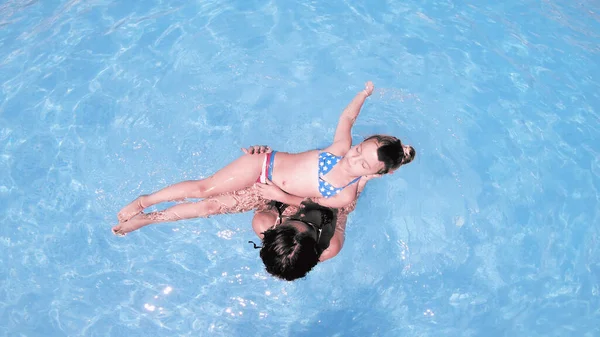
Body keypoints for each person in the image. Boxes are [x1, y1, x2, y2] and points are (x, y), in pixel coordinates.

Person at [113, 81, 416, 235]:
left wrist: (278, 194)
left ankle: (148, 221)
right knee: (202, 189)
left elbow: (308, 204)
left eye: (362, 164)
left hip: (268, 192)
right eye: (358, 151)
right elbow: (347, 118)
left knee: (208, 207)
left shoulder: (344, 193)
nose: (352, 159)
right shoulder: (339, 148)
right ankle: (145, 201)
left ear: (375, 173)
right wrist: (363, 95)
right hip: (261, 165)